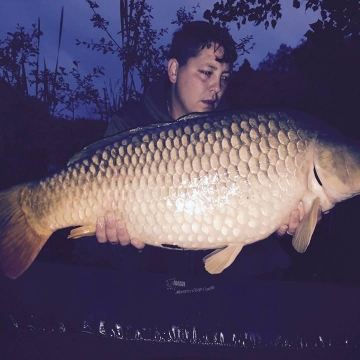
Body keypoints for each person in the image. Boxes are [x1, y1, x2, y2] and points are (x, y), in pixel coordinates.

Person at [94, 21, 309, 278]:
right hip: (146, 275)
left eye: (224, 77)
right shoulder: (128, 125)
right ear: (174, 70)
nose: (216, 87)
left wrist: (279, 220)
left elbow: (254, 220)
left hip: (219, 281)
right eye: (207, 73)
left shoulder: (241, 138)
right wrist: (120, 242)